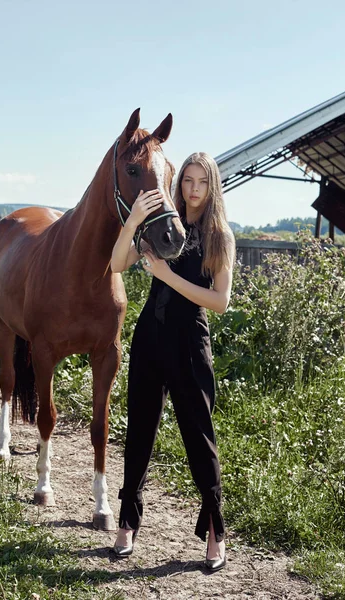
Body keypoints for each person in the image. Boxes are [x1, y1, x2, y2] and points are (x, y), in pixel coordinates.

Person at [110, 152, 235, 571]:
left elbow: (219, 302)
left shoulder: (220, 236)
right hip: (150, 338)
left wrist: (167, 277)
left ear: (211, 187)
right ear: (178, 183)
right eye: (187, 181)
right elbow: (116, 263)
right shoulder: (166, 225)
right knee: (139, 431)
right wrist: (131, 222)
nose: (193, 189)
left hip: (189, 344)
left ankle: (215, 531)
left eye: (202, 182)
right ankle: (127, 522)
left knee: (199, 436)